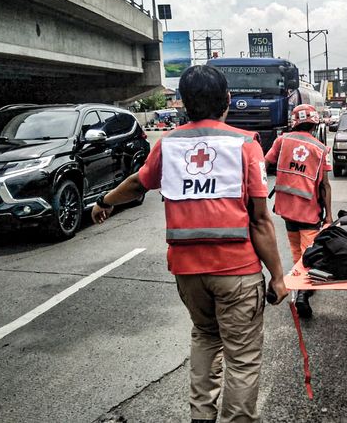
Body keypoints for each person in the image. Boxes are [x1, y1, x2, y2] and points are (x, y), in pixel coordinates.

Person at [91, 65, 288, 423]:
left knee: (205, 337)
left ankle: (201, 416)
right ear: (228, 101)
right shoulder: (246, 146)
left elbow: (137, 184)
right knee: (242, 358)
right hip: (237, 273)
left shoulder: (169, 144)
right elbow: (260, 220)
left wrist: (104, 202)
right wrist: (277, 276)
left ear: (182, 103)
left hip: (188, 272)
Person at [265, 104, 333, 318]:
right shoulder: (320, 148)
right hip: (309, 211)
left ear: (294, 122)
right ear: (314, 124)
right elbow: (325, 186)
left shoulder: (281, 141)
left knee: (296, 251)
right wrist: (329, 215)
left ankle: (299, 287)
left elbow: (263, 164)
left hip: (287, 209)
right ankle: (303, 293)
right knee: (309, 253)